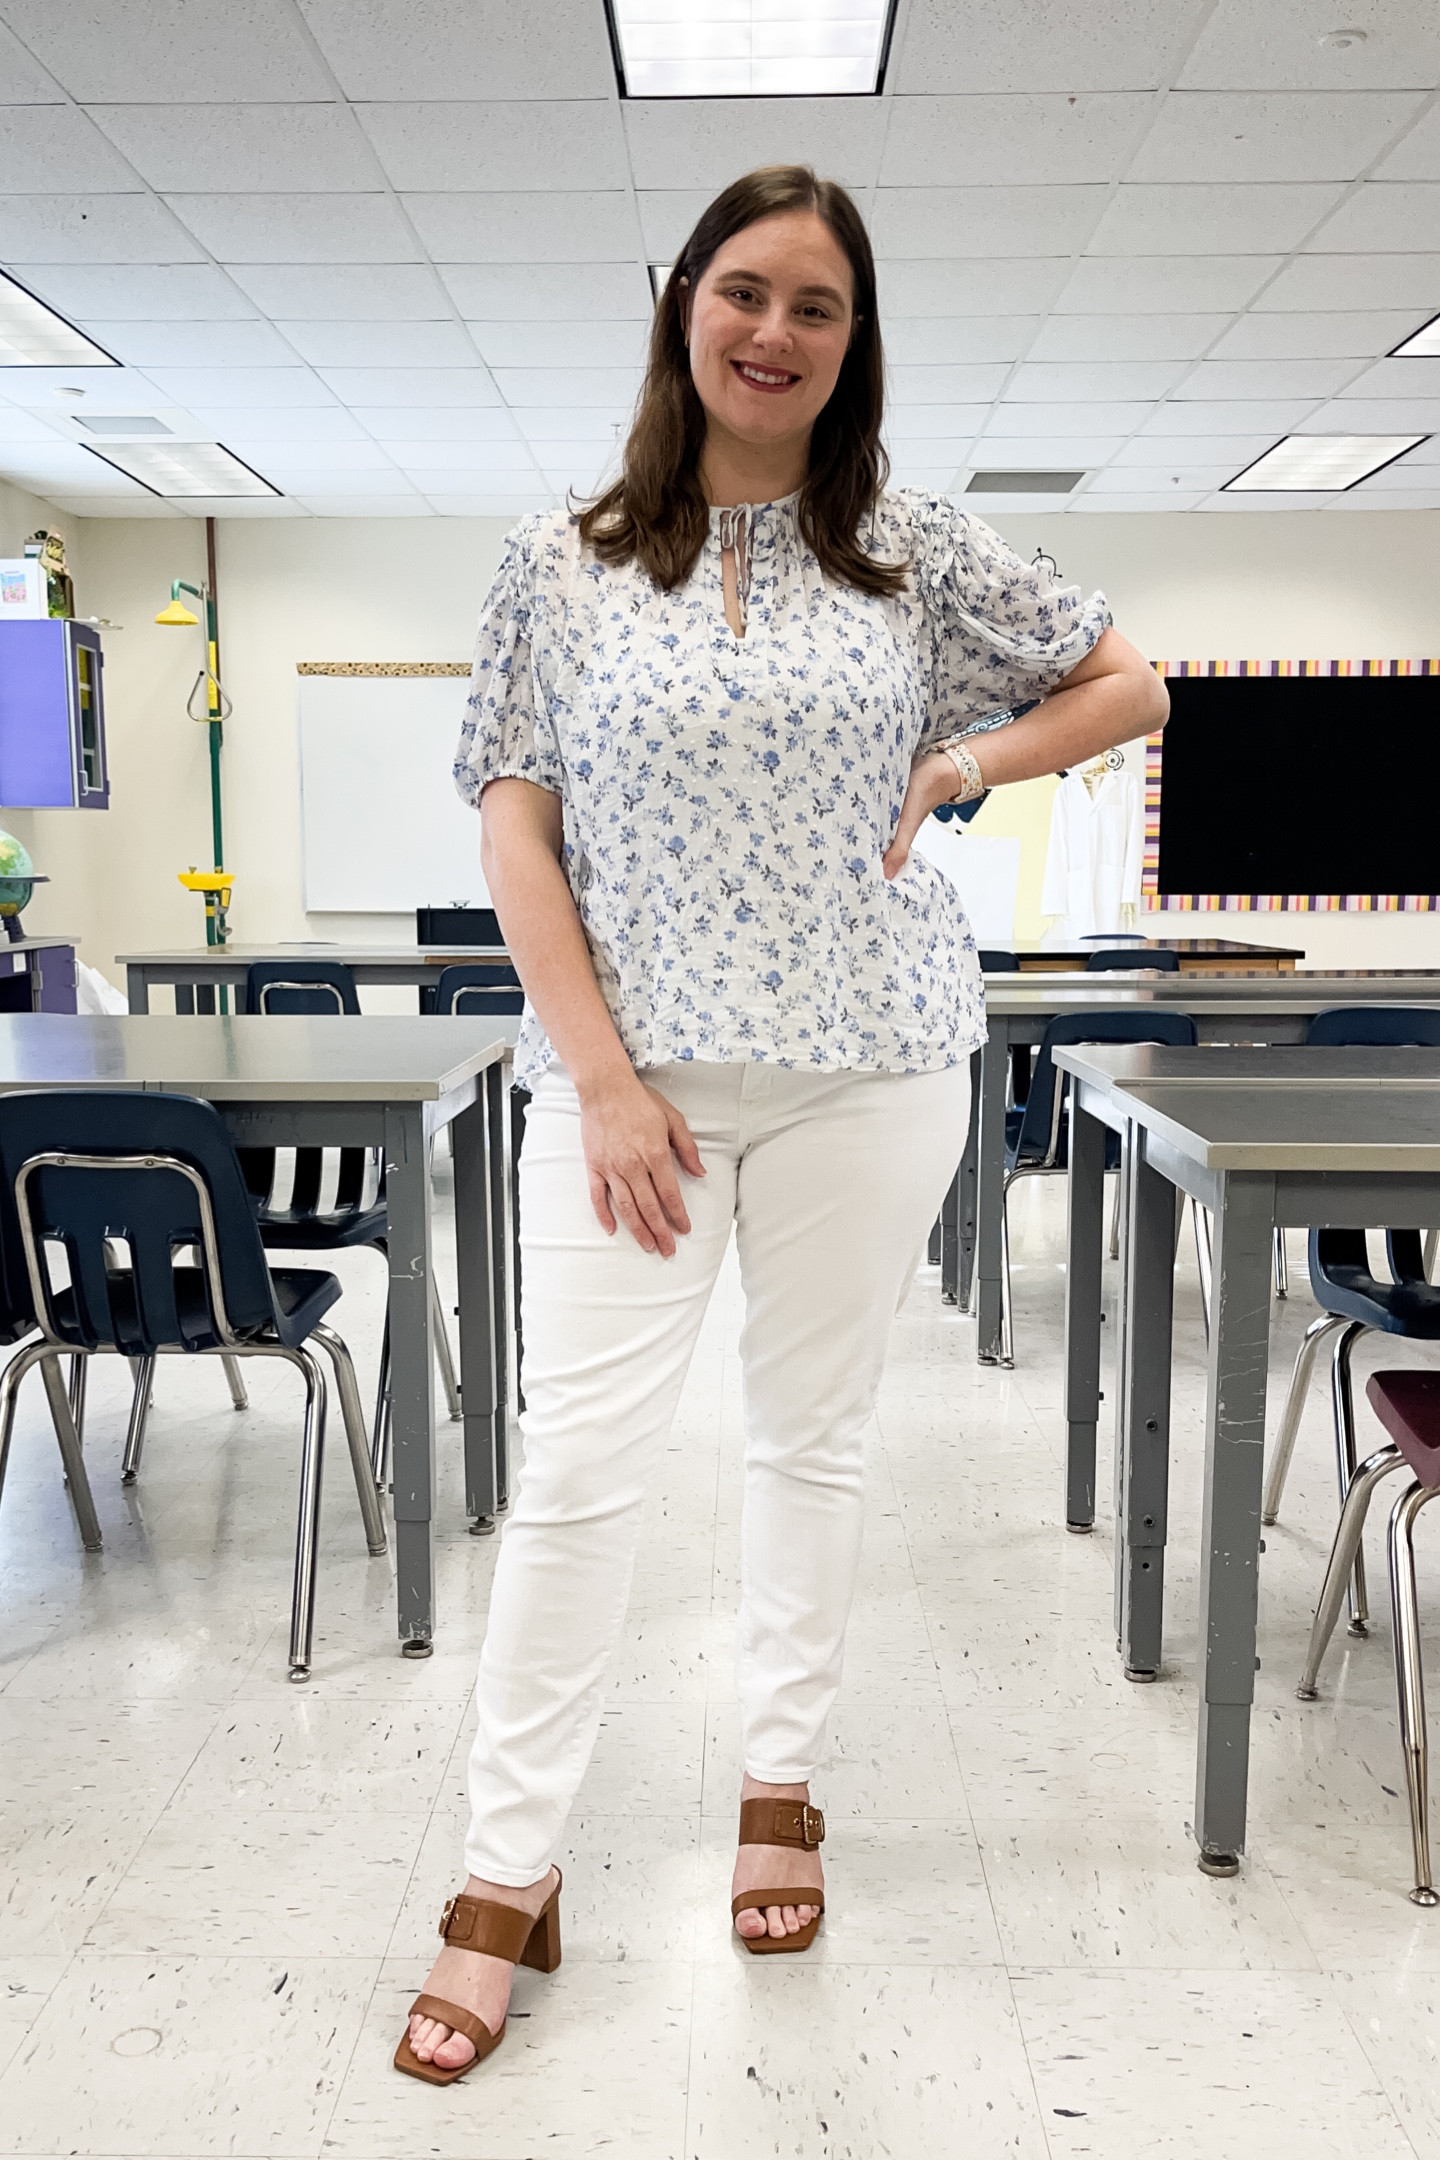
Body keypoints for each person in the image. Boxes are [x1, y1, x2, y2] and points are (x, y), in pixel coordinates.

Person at [396, 163, 1168, 2085]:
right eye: (745, 291)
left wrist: (974, 756)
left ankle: (780, 1792)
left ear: (853, 339)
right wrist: (597, 1081)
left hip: (875, 1062)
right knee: (578, 1472)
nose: (773, 332)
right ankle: (505, 1880)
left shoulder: (911, 541)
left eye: (816, 306)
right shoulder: (562, 559)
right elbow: (515, 823)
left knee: (810, 1448)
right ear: (684, 308)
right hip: (631, 1091)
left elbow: (1129, 681)